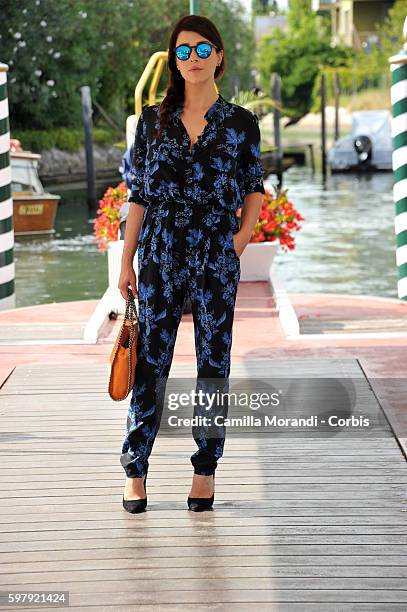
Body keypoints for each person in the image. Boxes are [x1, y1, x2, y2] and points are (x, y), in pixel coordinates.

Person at [118, 14, 265, 513]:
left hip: (215, 259)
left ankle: (205, 471)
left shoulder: (242, 123)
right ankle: (136, 469)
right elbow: (137, 196)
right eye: (183, 51)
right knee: (149, 367)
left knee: (212, 367)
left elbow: (254, 188)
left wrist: (240, 241)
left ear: (219, 56)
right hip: (160, 253)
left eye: (203, 49)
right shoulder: (153, 123)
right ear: (173, 61)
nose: (193, 59)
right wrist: (125, 263)